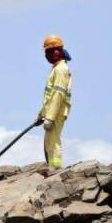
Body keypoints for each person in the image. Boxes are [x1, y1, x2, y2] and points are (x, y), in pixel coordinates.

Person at [37, 34, 72, 168]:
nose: (47, 55)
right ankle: (52, 167)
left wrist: (50, 118)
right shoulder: (57, 69)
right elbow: (49, 98)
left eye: (50, 51)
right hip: (52, 111)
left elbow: (58, 95)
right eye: (46, 52)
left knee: (53, 142)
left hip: (57, 111)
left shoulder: (61, 69)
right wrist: (41, 115)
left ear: (58, 51)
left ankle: (56, 169)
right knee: (49, 143)